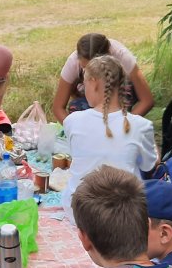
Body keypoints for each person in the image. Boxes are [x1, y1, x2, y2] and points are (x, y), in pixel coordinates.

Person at [61, 55, 158, 224]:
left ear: (93, 82)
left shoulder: (72, 121)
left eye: (84, 83)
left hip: (79, 212)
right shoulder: (142, 126)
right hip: (123, 215)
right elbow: (149, 165)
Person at [52, 32, 154, 123]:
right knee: (76, 106)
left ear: (110, 56)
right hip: (90, 100)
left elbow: (147, 100)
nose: (91, 76)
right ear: (78, 59)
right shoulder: (73, 62)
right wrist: (74, 129)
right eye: (85, 69)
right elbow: (58, 107)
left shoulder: (122, 56)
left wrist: (125, 125)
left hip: (119, 95)